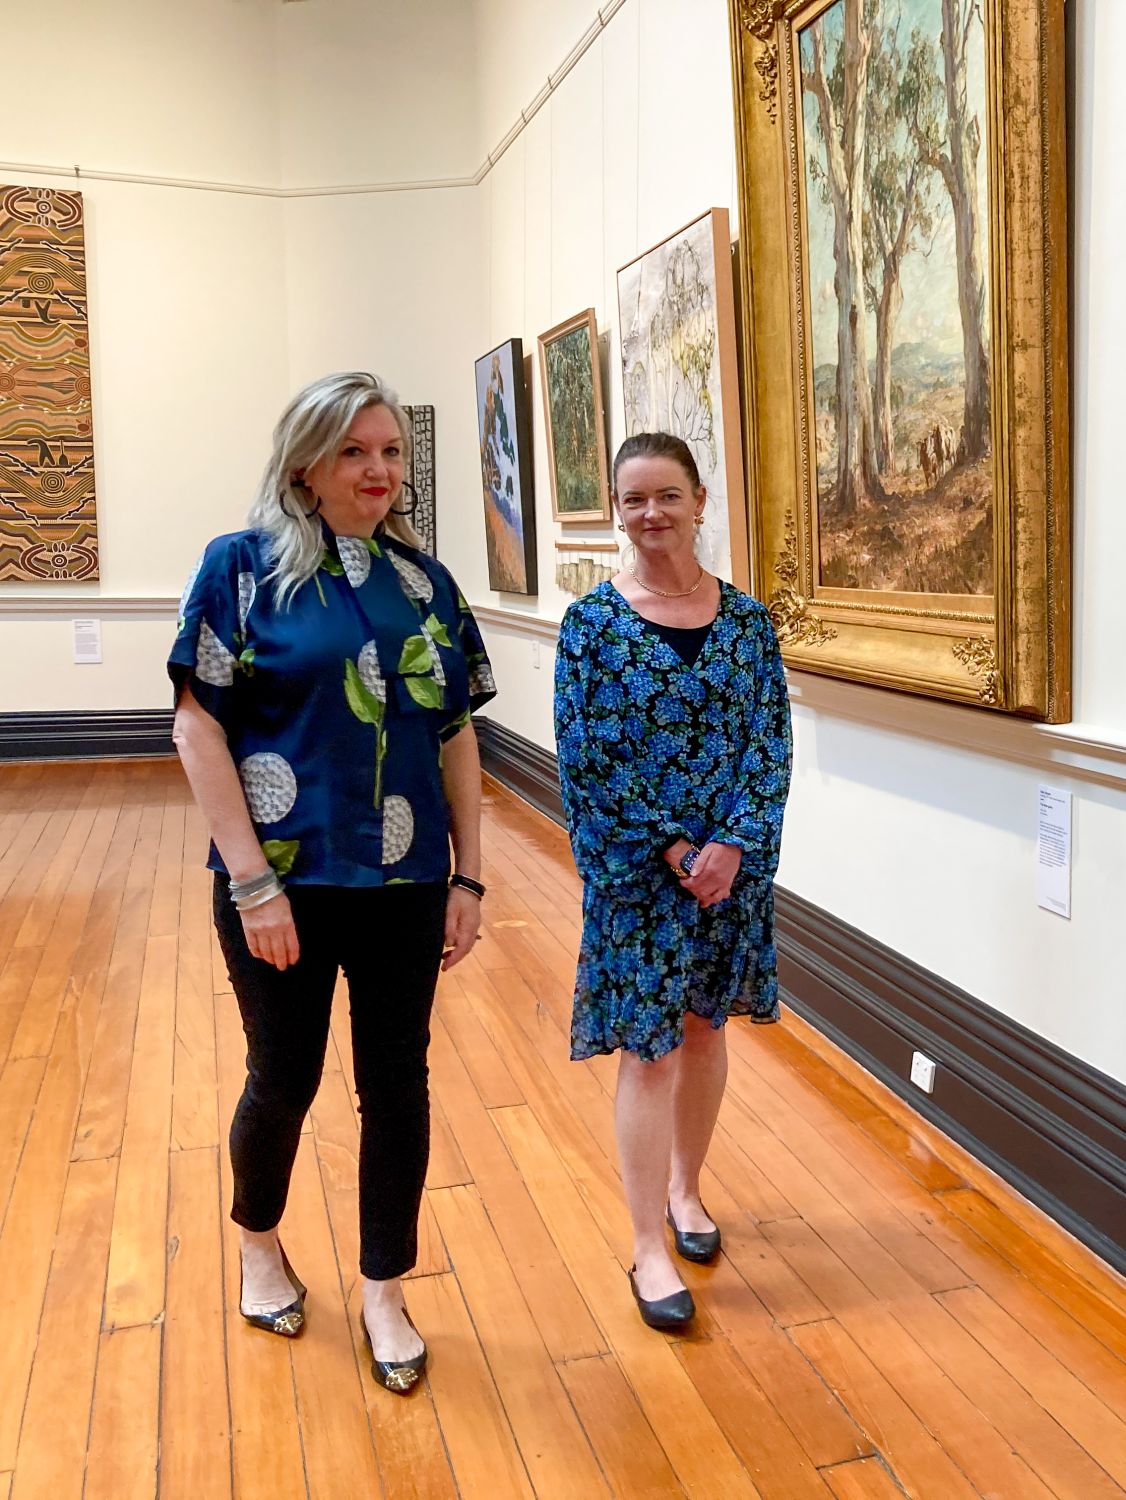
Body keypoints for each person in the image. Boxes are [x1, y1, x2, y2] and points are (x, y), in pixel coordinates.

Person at [169, 371, 496, 1395]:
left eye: (391, 451)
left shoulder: (424, 585)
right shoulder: (241, 570)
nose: (379, 471)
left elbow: (453, 736)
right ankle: (257, 1242)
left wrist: (471, 878)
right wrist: (251, 883)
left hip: (404, 880)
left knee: (398, 1086)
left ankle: (385, 1287)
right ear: (304, 464)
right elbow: (198, 728)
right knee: (286, 1078)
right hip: (287, 886)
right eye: (355, 451)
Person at [554, 432, 793, 1331]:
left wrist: (730, 846)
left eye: (666, 496)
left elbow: (769, 744)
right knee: (649, 1052)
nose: (650, 515)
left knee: (704, 1032)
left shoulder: (748, 624)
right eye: (633, 500)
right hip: (639, 878)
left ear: (700, 499)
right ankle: (646, 1241)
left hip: (728, 878)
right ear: (618, 511)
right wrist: (672, 852)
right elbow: (588, 760)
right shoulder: (592, 628)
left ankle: (688, 1193)